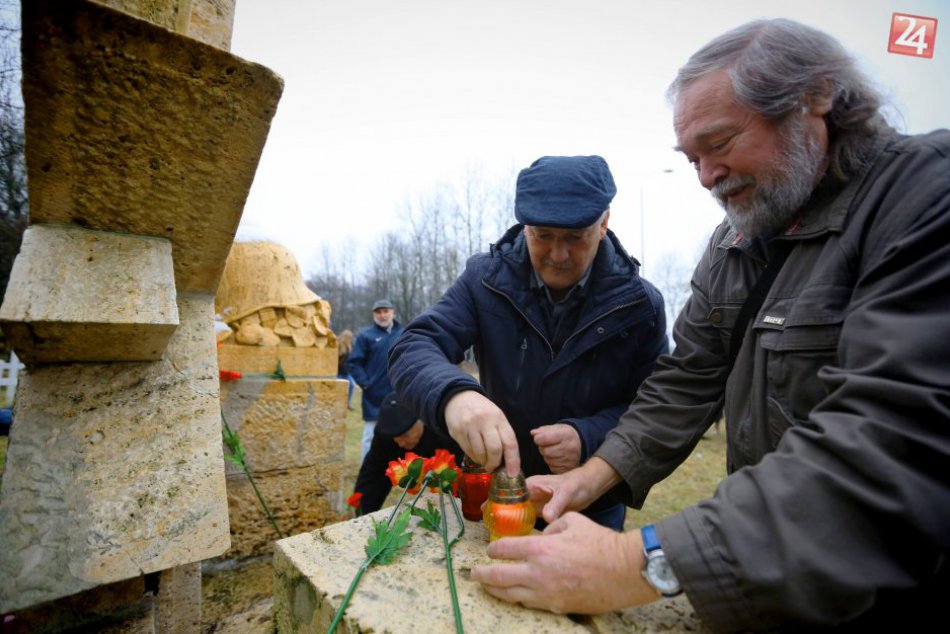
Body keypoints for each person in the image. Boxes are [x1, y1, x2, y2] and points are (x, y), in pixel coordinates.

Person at [470, 18, 950, 631]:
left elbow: (894, 444)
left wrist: (632, 563)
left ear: (816, 97)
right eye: (691, 159)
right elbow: (687, 379)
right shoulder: (734, 244)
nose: (705, 177)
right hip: (777, 580)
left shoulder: (924, 198)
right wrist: (593, 477)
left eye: (718, 143)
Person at [389, 155, 668, 531]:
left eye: (574, 238)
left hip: (589, 507)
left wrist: (589, 436)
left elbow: (654, 408)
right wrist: (454, 396)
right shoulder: (484, 280)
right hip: (501, 493)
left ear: (603, 224)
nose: (558, 255)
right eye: (543, 236)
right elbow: (414, 345)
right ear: (524, 228)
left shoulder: (640, 306)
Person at [350, 391, 461, 515]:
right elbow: (373, 474)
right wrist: (361, 514)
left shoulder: (444, 427)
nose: (401, 444)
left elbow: (462, 470)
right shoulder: (385, 435)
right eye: (395, 438)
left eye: (405, 435)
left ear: (422, 419)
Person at [347, 300, 403, 462]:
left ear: (393, 313)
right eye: (378, 312)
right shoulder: (365, 336)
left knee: (400, 432)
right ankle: (368, 466)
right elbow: (354, 363)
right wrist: (366, 383)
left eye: (386, 311)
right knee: (370, 435)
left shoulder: (404, 334)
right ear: (374, 315)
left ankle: (397, 468)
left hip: (399, 394)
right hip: (374, 395)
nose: (382, 315)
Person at [337, 328, 355, 410]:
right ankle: (338, 403)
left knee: (351, 385)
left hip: (346, 372)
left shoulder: (350, 347)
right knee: (338, 387)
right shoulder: (338, 346)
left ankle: (347, 403)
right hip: (338, 372)